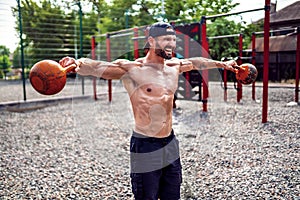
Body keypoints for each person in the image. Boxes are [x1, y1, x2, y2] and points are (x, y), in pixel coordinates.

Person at [59, 22, 237, 200]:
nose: (172, 43)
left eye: (174, 39)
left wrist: (222, 64)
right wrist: (77, 63)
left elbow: (198, 62)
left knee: (172, 195)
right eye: (166, 39)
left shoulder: (173, 67)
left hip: (170, 143)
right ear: (151, 41)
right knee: (146, 197)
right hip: (145, 145)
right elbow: (98, 67)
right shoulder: (133, 69)